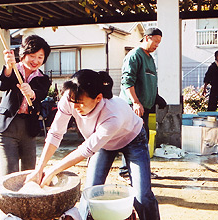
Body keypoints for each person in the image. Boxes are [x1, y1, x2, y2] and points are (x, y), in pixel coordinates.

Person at [26, 69, 160, 220]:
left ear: (98, 98)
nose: (75, 107)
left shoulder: (113, 114)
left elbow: (85, 149)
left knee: (142, 195)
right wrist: (40, 168)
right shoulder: (70, 98)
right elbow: (56, 133)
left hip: (133, 138)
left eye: (80, 104)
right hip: (102, 144)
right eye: (72, 102)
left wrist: (52, 171)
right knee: (90, 191)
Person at [0, 35, 51, 176]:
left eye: (40, 57)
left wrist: (32, 93)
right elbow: (1, 85)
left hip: (28, 128)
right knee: (10, 172)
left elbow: (41, 94)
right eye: (32, 55)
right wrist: (9, 67)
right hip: (7, 128)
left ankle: (27, 197)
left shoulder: (43, 79)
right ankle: (9, 197)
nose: (36, 61)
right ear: (23, 54)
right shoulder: (13, 69)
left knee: (29, 171)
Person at [119, 27, 165, 177]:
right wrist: (135, 102)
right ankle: (127, 171)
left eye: (159, 43)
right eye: (155, 41)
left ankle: (138, 171)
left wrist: (156, 97)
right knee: (133, 140)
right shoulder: (134, 56)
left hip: (144, 107)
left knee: (140, 140)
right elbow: (127, 81)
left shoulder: (150, 59)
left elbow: (150, 80)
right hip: (133, 107)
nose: (157, 45)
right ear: (147, 38)